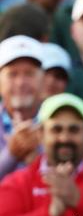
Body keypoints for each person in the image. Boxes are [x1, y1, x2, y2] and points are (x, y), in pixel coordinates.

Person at [0, 35, 44, 180]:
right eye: (13, 74)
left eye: (29, 73)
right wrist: (12, 153)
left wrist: (40, 161)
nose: (21, 83)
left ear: (43, 79)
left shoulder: (64, 116)